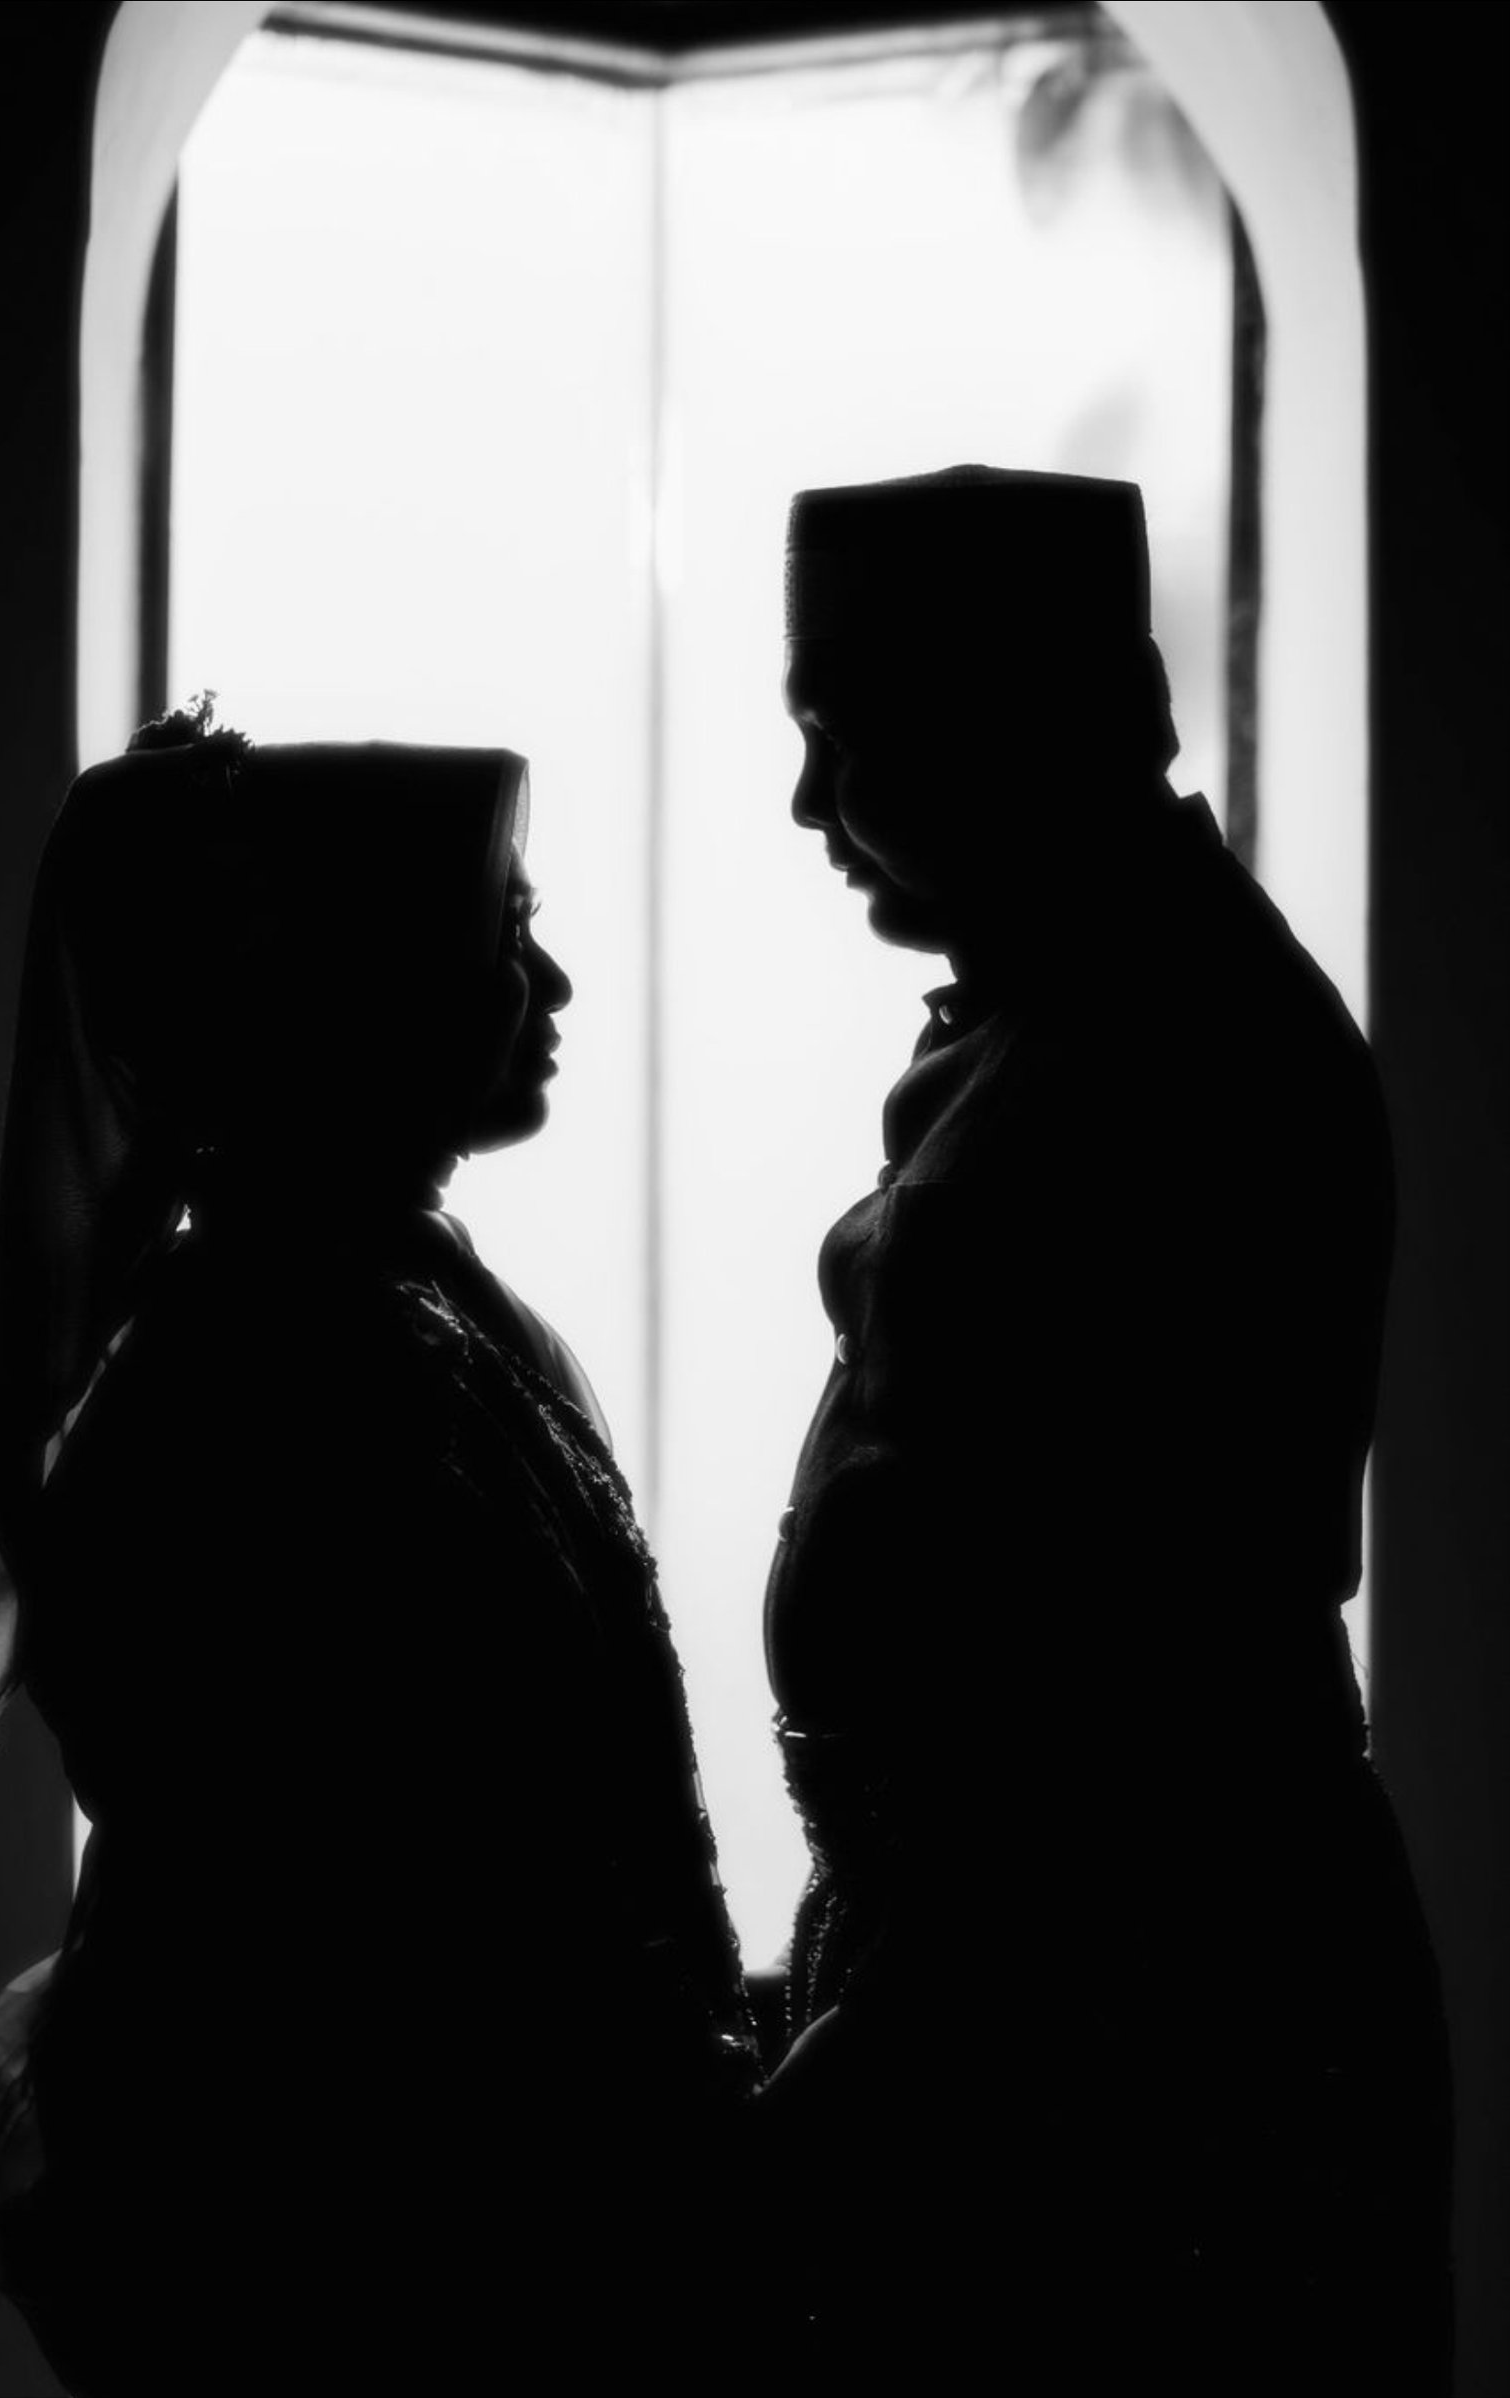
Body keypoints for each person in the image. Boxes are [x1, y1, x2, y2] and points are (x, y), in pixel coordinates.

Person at [0, 702, 755, 2398]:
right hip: (381, 2256)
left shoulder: (388, 1305)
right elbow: (391, 1902)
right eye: (506, 935)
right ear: (355, 985)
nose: (553, 988)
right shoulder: (289, 1358)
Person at [756, 468, 1453, 2397]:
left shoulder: (1175, 1055)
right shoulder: (1093, 1004)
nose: (807, 804)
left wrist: (872, 2051)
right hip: (1047, 2010)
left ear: (1011, 717)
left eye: (843, 734)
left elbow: (1121, 1721)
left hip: (1135, 2053)